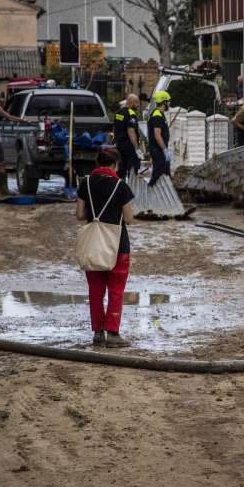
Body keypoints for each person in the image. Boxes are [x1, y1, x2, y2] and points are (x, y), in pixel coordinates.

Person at [76, 148, 135, 348]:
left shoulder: (85, 184)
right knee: (116, 289)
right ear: (115, 164)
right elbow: (128, 218)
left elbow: (79, 214)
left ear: (97, 163)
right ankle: (114, 333)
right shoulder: (121, 186)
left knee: (95, 290)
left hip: (93, 244)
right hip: (118, 244)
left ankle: (98, 333)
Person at [113, 94, 141, 178]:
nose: (138, 105)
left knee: (122, 167)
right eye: (137, 103)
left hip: (120, 145)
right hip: (129, 145)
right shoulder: (131, 113)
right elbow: (131, 131)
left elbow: (115, 128)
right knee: (134, 166)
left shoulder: (118, 113)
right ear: (131, 102)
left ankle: (120, 183)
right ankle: (132, 185)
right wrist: (136, 147)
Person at [147, 90, 171, 186]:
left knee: (164, 173)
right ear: (164, 102)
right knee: (157, 175)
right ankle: (150, 191)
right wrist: (164, 149)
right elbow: (157, 135)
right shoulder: (157, 115)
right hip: (158, 150)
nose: (169, 103)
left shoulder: (159, 114)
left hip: (158, 149)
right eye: (168, 101)